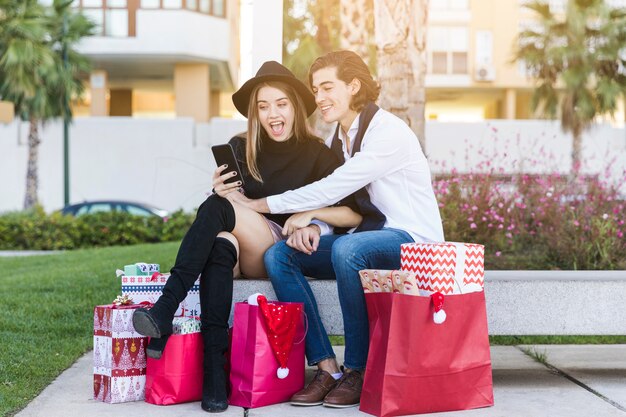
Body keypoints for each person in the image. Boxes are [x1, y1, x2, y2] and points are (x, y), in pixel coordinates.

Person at [131, 61, 363, 413]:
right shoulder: (240, 148)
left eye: (281, 103)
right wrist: (223, 190)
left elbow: (351, 212)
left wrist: (313, 223)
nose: (273, 114)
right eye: (263, 106)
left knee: (215, 208)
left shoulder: (319, 153)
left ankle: (165, 308)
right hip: (242, 247)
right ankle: (213, 376)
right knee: (221, 243)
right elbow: (232, 212)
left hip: (281, 250)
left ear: (296, 107)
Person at [225, 50, 445, 408]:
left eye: (328, 87)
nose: (319, 97)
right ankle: (327, 367)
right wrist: (313, 225)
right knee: (280, 254)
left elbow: (333, 188)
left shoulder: (387, 132)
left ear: (354, 86)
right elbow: (346, 210)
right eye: (315, 89)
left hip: (413, 242)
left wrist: (261, 205)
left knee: (348, 251)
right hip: (369, 240)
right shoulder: (341, 139)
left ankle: (357, 368)